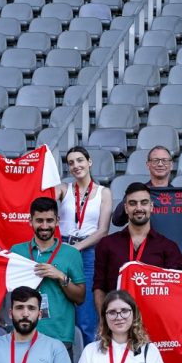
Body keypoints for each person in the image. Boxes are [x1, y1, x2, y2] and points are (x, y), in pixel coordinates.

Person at [10, 198, 86, 357]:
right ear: (30, 221)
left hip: (60, 335)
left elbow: (80, 297)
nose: (44, 226)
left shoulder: (71, 253)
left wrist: (60, 277)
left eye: (49, 220)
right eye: (39, 221)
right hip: (25, 333)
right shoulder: (16, 251)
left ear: (57, 221)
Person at [93, 182, 182, 312]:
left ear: (151, 206)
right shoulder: (107, 244)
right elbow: (99, 287)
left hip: (154, 320)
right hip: (117, 320)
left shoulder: (168, 247)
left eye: (144, 202)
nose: (139, 208)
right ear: (125, 208)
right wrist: (104, 319)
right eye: (133, 203)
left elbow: (176, 290)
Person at [57, 146, 113, 347]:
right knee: (58, 308)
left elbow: (103, 231)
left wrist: (76, 248)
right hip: (61, 251)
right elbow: (39, 196)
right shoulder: (63, 189)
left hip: (88, 253)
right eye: (71, 162)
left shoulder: (103, 193)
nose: (75, 166)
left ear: (89, 162)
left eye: (80, 160)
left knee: (86, 314)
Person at [110, 145, 174, 227]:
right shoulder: (137, 192)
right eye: (155, 160)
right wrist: (131, 197)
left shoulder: (178, 196)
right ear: (148, 165)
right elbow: (117, 221)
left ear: (171, 165)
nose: (160, 164)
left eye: (165, 160)